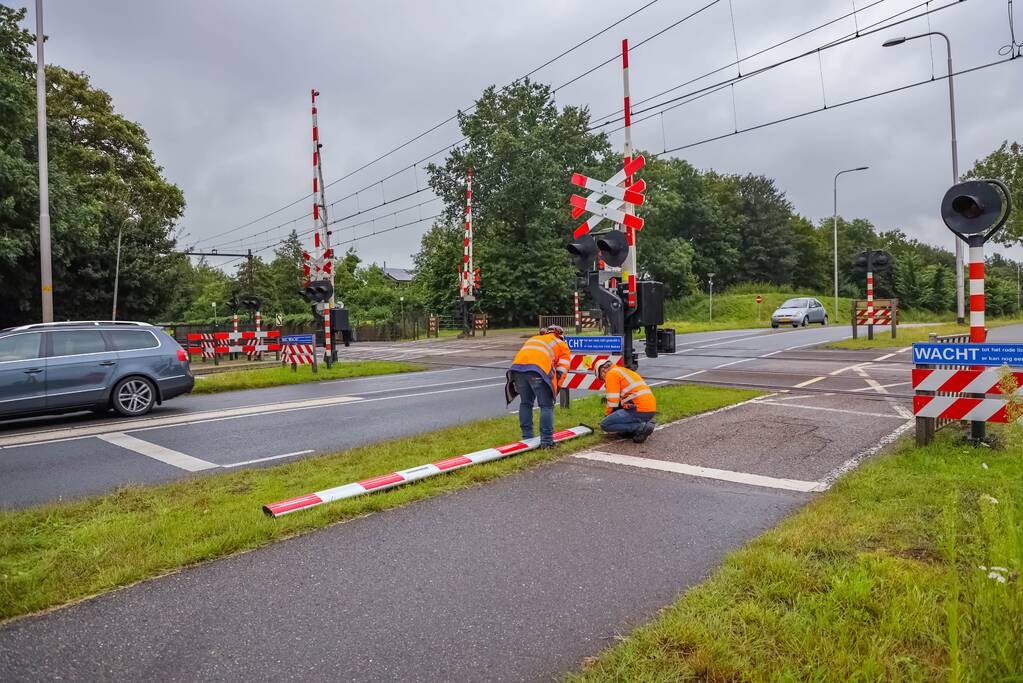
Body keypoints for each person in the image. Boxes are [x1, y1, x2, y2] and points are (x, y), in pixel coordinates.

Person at [506, 325, 571, 448]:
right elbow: (561, 371)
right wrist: (555, 389)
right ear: (560, 335)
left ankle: (527, 438)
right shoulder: (561, 345)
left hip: (517, 370)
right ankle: (546, 442)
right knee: (546, 406)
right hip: (538, 372)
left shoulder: (534, 339)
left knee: (525, 403)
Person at [593, 358, 657, 443]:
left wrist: (607, 417)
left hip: (637, 409)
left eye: (602, 379)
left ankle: (640, 427)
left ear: (602, 371)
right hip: (649, 409)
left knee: (605, 425)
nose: (604, 381)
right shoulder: (623, 371)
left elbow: (612, 402)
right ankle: (644, 423)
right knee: (619, 421)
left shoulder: (611, 374)